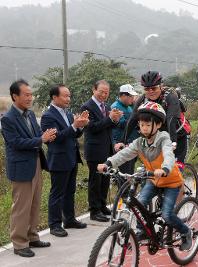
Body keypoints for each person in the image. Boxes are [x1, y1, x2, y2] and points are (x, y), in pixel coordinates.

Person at [97, 102, 193, 251]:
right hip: (153, 180)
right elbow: (124, 154)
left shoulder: (163, 138)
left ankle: (186, 232)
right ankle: (143, 232)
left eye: (148, 125)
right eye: (141, 125)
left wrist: (165, 168)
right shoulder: (139, 142)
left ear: (159, 124)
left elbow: (168, 153)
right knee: (139, 203)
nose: (144, 128)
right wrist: (108, 163)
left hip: (170, 181)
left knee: (167, 215)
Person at [1, 79, 56, 257]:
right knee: (21, 207)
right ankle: (19, 243)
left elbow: (35, 136)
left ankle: (32, 236)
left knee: (34, 203)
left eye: (31, 94)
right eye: (26, 95)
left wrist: (45, 136)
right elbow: (15, 143)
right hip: (21, 168)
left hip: (35, 163)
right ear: (14, 96)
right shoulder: (8, 119)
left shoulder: (31, 115)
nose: (30, 98)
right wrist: (41, 140)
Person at [41, 84, 89, 238]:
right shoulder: (48, 116)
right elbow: (55, 138)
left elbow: (72, 134)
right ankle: (55, 225)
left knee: (70, 191)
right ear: (55, 97)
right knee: (57, 193)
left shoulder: (67, 113)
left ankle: (69, 219)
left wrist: (80, 126)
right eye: (65, 96)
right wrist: (74, 125)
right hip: (59, 159)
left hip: (71, 157)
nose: (68, 99)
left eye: (69, 95)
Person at [81, 80, 123, 222]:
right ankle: (94, 210)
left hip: (107, 148)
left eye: (106, 92)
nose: (104, 95)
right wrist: (110, 119)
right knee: (95, 181)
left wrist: (116, 119)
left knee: (105, 178)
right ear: (94, 89)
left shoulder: (106, 106)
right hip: (94, 150)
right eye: (101, 92)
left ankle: (102, 205)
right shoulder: (87, 107)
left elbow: (108, 126)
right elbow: (91, 127)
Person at [122, 71, 186, 165]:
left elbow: (170, 119)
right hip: (155, 139)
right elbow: (132, 120)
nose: (150, 91)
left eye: (154, 88)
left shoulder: (170, 97)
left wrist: (173, 142)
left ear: (161, 86)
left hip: (176, 136)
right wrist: (122, 141)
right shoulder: (142, 100)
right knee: (151, 170)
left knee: (173, 171)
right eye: (147, 89)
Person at [111, 84, 138, 175]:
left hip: (131, 143)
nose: (132, 98)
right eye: (130, 96)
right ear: (122, 95)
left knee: (130, 171)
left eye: (133, 96)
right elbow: (121, 124)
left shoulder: (129, 107)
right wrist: (135, 121)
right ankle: (123, 189)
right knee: (125, 173)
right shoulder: (116, 107)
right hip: (122, 144)